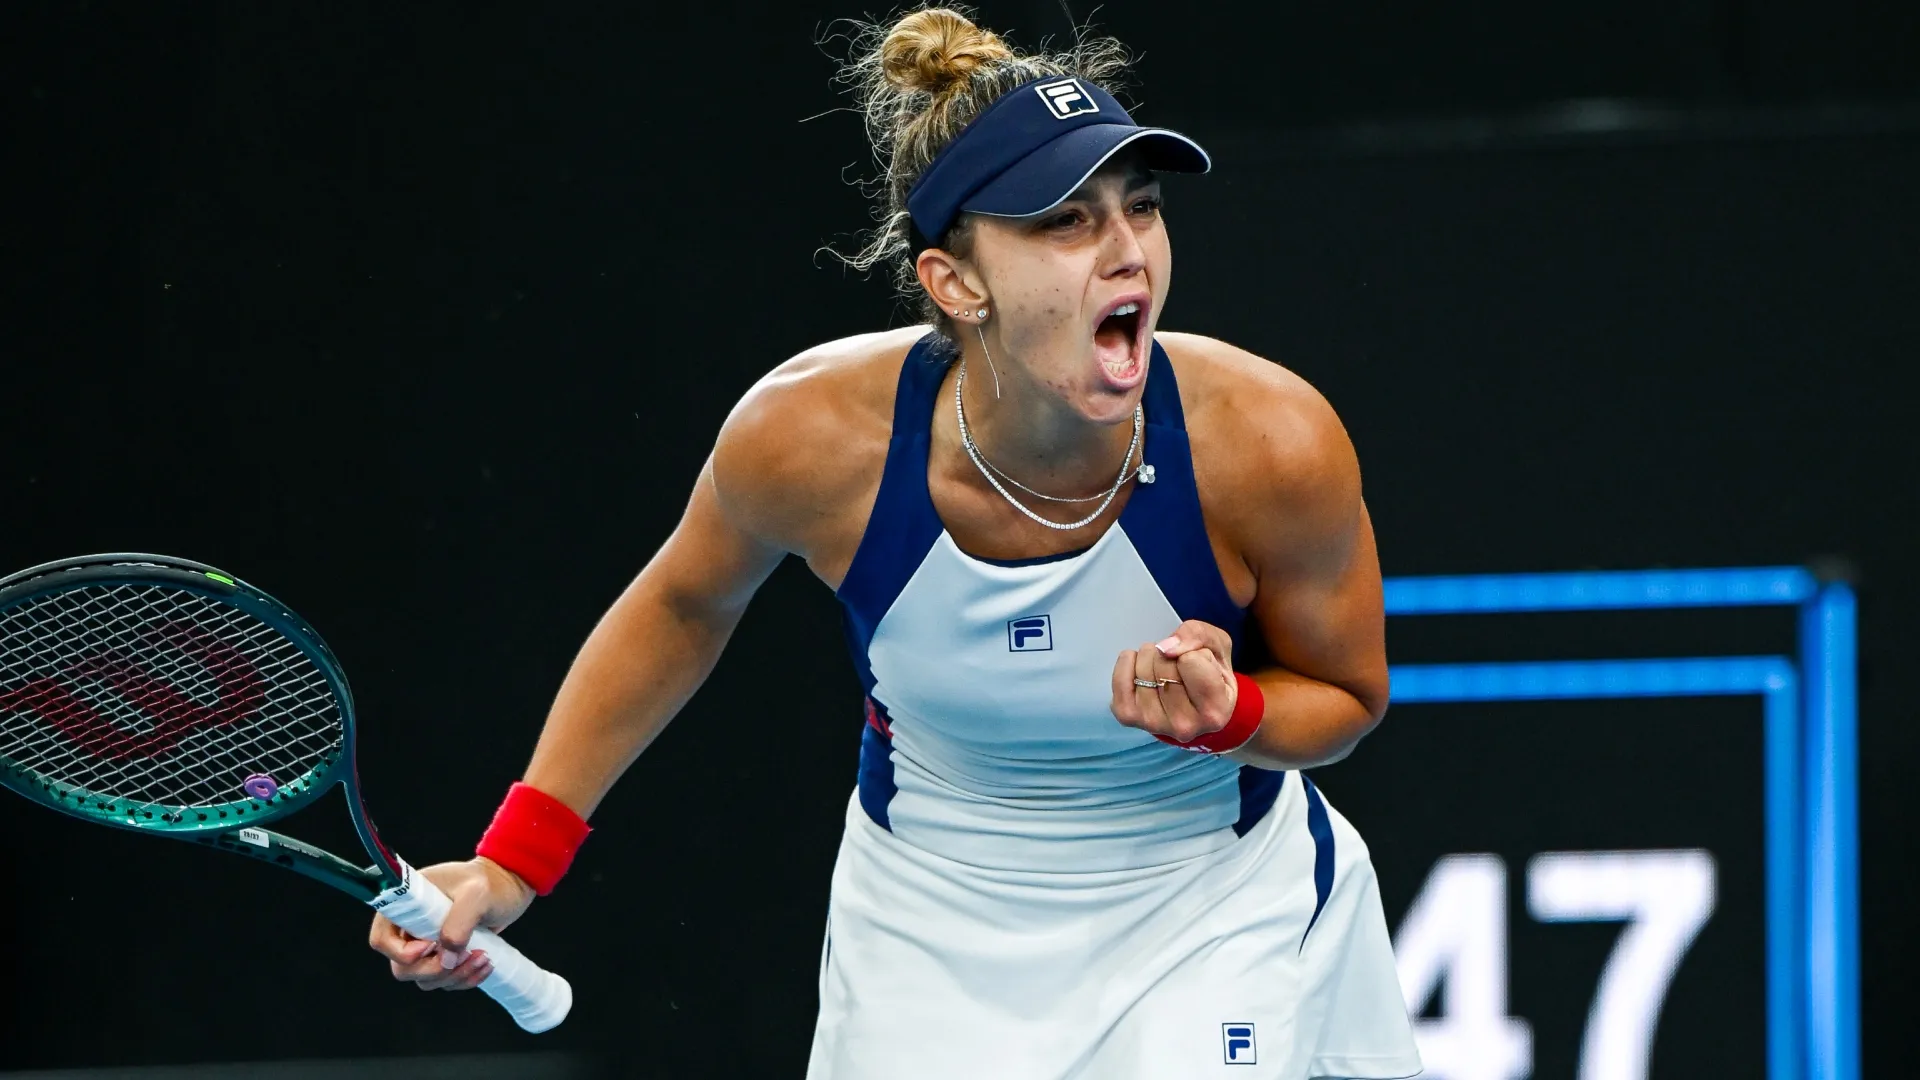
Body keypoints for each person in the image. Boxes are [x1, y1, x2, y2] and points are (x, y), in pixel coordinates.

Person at [367, 7, 1422, 1078]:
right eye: (1065, 221)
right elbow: (682, 607)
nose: (1128, 252)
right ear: (955, 283)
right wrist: (510, 868)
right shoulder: (812, 439)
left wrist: (1232, 714)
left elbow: (1349, 699)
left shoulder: (1271, 443)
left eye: (1140, 209)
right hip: (927, 926)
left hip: (1214, 898)